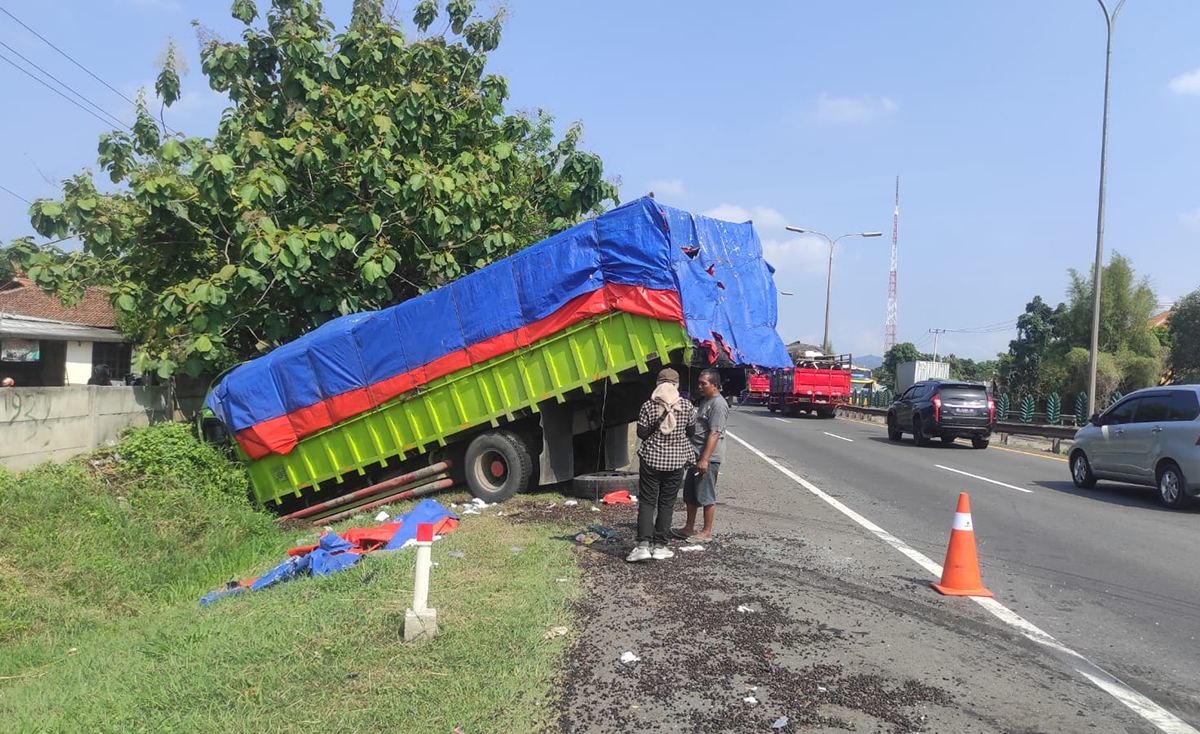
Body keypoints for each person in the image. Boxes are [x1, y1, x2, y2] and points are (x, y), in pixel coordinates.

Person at [627, 367, 696, 563]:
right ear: (676, 385)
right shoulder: (687, 406)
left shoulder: (648, 406)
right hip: (676, 462)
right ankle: (660, 546)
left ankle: (642, 546)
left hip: (651, 460)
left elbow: (641, 433)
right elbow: (691, 432)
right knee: (666, 504)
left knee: (648, 502)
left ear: (658, 384)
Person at [676, 368, 728, 542]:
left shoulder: (718, 405)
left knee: (705, 494)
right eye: (699, 383)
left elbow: (714, 433)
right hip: (695, 456)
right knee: (690, 494)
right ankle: (688, 528)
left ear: (714, 385)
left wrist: (705, 459)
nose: (699, 386)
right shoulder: (706, 401)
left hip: (707, 458)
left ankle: (706, 532)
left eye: (703, 383)